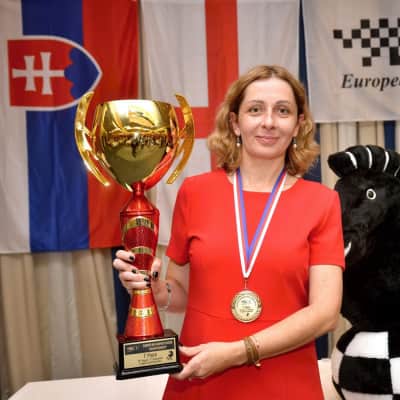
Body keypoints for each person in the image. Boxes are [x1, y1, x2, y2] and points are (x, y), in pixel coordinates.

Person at [113, 65, 345, 399]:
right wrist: (154, 289)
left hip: (285, 381)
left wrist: (239, 351)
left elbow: (324, 314)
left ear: (298, 125)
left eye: (283, 111)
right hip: (200, 377)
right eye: (255, 109)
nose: (269, 122)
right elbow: (180, 293)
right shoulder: (195, 192)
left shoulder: (322, 202)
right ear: (235, 122)